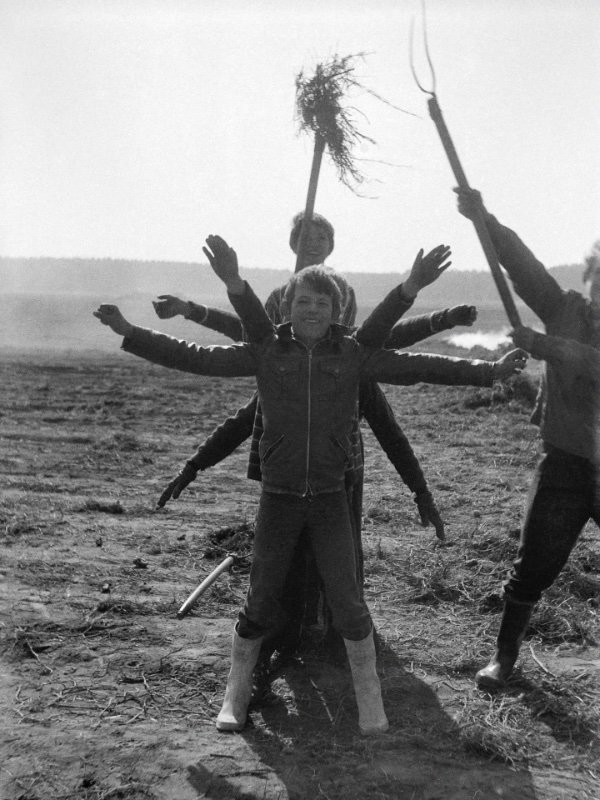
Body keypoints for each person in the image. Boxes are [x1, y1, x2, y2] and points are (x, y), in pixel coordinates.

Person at [94, 236, 526, 734]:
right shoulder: (266, 352)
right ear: (287, 307)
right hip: (277, 500)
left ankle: (369, 700)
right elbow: (194, 355)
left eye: (323, 302)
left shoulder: (355, 356)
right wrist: (132, 330)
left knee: (348, 600)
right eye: (303, 301)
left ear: (337, 311)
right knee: (261, 597)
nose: (313, 309)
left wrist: (489, 370)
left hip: (329, 499)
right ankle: (236, 693)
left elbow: (426, 366)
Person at [153, 213, 476, 666]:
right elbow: (242, 345)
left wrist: (441, 316)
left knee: (340, 556)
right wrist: (193, 310)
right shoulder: (277, 328)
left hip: (336, 461)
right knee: (282, 557)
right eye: (306, 238)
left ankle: (341, 635)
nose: (312, 312)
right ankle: (280, 635)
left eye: (322, 237)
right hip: (285, 454)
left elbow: (385, 358)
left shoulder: (347, 329)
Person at [455, 187, 600, 691]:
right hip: (566, 463)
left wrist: (542, 344)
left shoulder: (558, 332)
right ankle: (504, 657)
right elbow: (524, 267)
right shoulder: (564, 308)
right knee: (532, 566)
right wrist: (486, 221)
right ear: (589, 279)